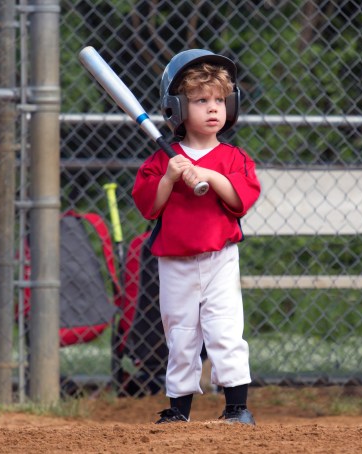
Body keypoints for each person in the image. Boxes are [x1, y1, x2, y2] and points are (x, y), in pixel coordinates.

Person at [132, 49, 261, 425]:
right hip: (175, 261)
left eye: (219, 100)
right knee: (181, 333)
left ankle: (237, 407)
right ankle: (178, 410)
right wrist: (171, 178)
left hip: (220, 259)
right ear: (176, 108)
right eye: (200, 100)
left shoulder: (234, 159)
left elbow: (241, 198)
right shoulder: (163, 161)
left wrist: (213, 176)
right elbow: (150, 207)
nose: (212, 108)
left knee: (225, 330)